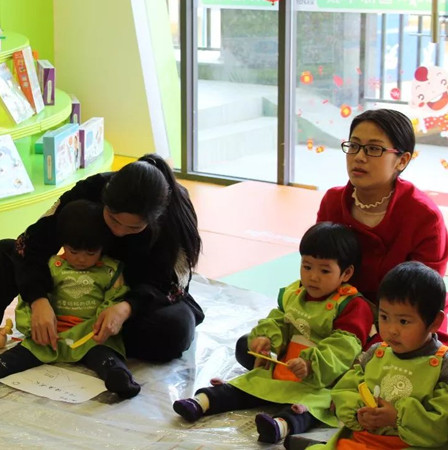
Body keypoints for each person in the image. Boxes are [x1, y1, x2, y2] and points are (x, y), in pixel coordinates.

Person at [0, 153, 204, 367]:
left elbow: (172, 285)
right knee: (4, 251)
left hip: (126, 295)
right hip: (70, 285)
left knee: (174, 330)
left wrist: (126, 307)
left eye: (134, 228)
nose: (119, 231)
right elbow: (31, 243)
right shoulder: (90, 190)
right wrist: (38, 299)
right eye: (113, 219)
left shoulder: (175, 214)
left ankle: (88, 341)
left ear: (154, 219)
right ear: (105, 199)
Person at [236, 109, 448, 370]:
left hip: (398, 322)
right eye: (354, 146)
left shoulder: (423, 216)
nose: (359, 157)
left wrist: (375, 338)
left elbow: (423, 296)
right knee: (249, 346)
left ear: (401, 160)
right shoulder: (333, 201)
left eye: (373, 149)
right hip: (336, 311)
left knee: (392, 368)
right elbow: (318, 266)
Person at [173, 222, 373, 444]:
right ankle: (203, 401)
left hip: (322, 378)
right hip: (285, 366)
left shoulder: (352, 306)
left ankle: (280, 425)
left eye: (324, 271)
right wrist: (266, 339)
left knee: (311, 406)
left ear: (346, 273)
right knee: (251, 382)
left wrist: (311, 364)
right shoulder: (296, 292)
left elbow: (343, 348)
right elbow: (279, 320)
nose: (313, 277)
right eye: (307, 267)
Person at [0, 200, 140, 398]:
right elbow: (29, 300)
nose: (81, 259)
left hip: (90, 336)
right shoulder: (51, 267)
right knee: (20, 354)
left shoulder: (110, 270)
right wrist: (31, 326)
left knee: (105, 355)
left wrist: (102, 321)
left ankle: (118, 377)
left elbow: (114, 298)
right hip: (51, 335)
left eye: (91, 253)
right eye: (73, 251)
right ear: (62, 244)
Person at [309, 261, 448, 449]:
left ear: (435, 322)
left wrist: (397, 418)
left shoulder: (442, 366)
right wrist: (359, 412)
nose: (392, 330)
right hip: (362, 439)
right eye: (384, 317)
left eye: (404, 321)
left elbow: (441, 427)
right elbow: (345, 389)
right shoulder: (377, 353)